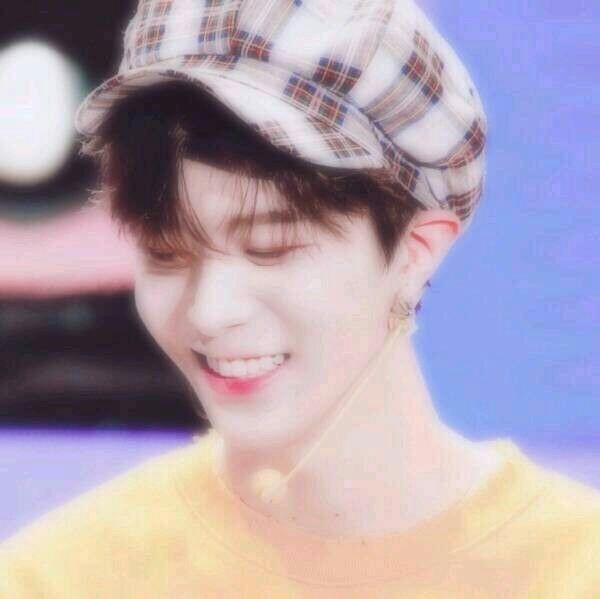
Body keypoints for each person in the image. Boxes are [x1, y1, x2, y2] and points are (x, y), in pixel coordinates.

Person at [1, 1, 599, 596]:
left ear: (417, 250)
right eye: (165, 252)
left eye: (271, 249)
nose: (209, 312)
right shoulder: (59, 578)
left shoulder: (574, 569)